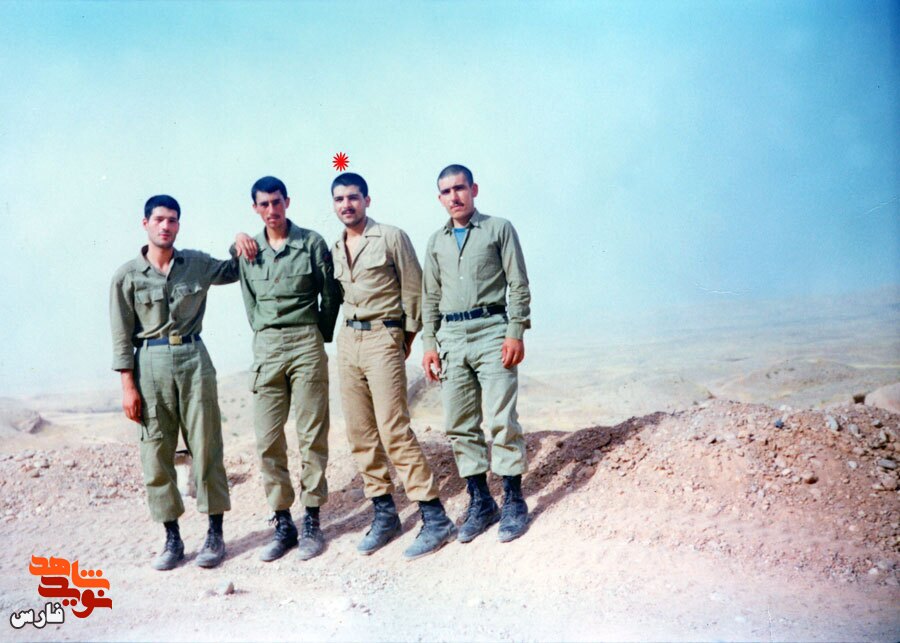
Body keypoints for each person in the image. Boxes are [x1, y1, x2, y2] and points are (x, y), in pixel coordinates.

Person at [109, 194, 240, 570]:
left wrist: (240, 241)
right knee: (156, 452)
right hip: (149, 364)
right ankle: (172, 538)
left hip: (194, 358)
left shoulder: (196, 264)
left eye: (172, 220)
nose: (166, 226)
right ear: (145, 224)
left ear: (179, 225)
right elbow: (121, 336)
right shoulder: (127, 276)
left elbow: (234, 269)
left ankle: (215, 535)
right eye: (159, 219)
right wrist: (128, 386)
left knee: (206, 445)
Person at [330, 172, 456, 560]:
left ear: (367, 200)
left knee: (393, 429)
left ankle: (435, 517)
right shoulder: (335, 246)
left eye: (353, 197)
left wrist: (405, 339)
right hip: (348, 341)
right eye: (339, 199)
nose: (347, 204)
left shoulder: (390, 237)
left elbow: (414, 290)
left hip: (383, 336)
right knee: (360, 432)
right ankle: (385, 515)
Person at [421, 165, 532, 543]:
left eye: (460, 188)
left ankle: (513, 500)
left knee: (501, 418)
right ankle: (481, 502)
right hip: (451, 337)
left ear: (474, 189)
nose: (454, 197)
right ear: (439, 198)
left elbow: (518, 283)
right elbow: (429, 297)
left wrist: (515, 331)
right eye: (446, 191)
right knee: (459, 423)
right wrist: (429, 344)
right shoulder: (435, 242)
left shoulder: (499, 229)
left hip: (491, 331)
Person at [235, 176, 341, 562]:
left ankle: (311, 519)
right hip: (267, 346)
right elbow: (249, 300)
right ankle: (283, 522)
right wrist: (265, 331)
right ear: (255, 208)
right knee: (267, 439)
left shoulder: (311, 243)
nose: (272, 210)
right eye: (263, 204)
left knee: (312, 434)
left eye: (277, 202)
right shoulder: (247, 250)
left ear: (287, 202)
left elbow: (330, 294)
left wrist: (318, 334)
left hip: (306, 342)